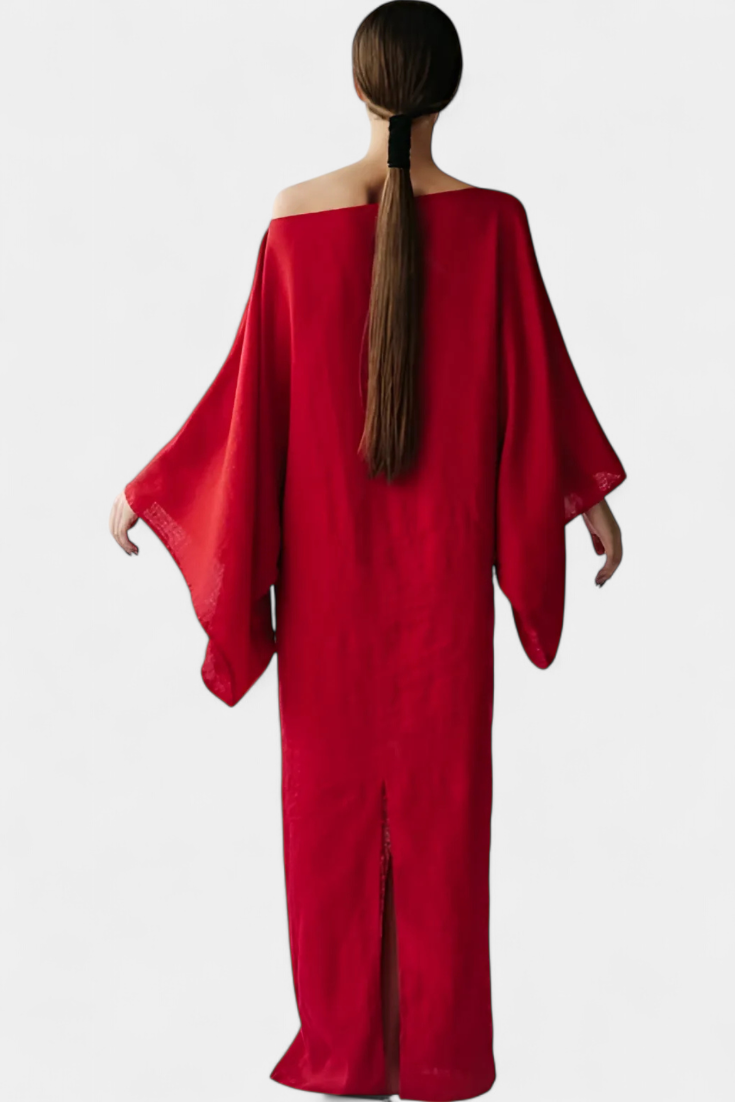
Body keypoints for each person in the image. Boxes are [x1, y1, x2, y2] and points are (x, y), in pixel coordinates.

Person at [109, 2, 626, 1099]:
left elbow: (245, 410)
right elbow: (536, 399)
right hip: (443, 587)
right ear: (449, 90)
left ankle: (348, 1054)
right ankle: (436, 1057)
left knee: (331, 824)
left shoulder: (294, 222)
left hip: (329, 591)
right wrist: (581, 500)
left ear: (358, 87)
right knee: (443, 819)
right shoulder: (495, 226)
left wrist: (155, 490)